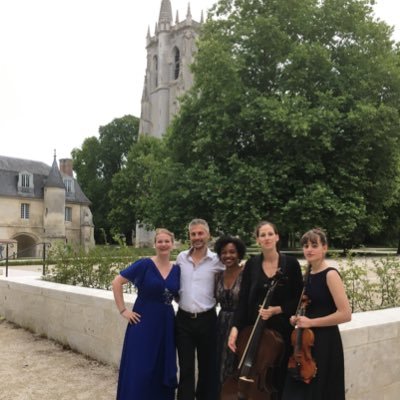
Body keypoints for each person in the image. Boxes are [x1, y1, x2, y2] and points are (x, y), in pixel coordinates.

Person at [227, 221, 303, 399]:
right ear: (257, 240)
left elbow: (299, 298)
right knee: (252, 373)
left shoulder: (290, 264)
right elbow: (244, 300)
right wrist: (235, 329)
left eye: (270, 234)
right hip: (254, 331)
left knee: (277, 377)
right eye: (263, 235)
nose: (267, 238)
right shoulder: (252, 265)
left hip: (281, 331)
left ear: (277, 237)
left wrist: (278, 309)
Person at [282, 228, 351, 400]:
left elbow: (345, 314)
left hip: (325, 342)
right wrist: (296, 318)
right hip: (306, 343)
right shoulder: (307, 275)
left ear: (324, 248)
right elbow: (306, 308)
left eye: (314, 245)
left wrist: (311, 322)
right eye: (305, 246)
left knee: (321, 392)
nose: (309, 249)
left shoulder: (331, 275)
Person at [112, 228, 180, 400]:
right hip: (143, 321)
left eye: (167, 241)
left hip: (166, 322)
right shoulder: (144, 264)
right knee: (140, 366)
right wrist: (123, 310)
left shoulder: (177, 269)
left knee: (162, 365)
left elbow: (179, 296)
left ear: (172, 244)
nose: (163, 244)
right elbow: (117, 282)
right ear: (155, 244)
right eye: (160, 241)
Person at [176, 218, 224, 400]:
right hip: (183, 320)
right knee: (186, 367)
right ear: (190, 236)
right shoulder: (181, 258)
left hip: (208, 320)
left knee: (207, 367)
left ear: (208, 235)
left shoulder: (217, 260)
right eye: (193, 234)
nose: (197, 237)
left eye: (200, 233)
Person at [214, 235, 247, 396]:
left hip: (239, 324)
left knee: (236, 365)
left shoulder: (246, 273)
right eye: (224, 252)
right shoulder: (218, 276)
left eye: (232, 252)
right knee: (219, 364)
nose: (228, 256)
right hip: (220, 324)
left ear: (239, 253)